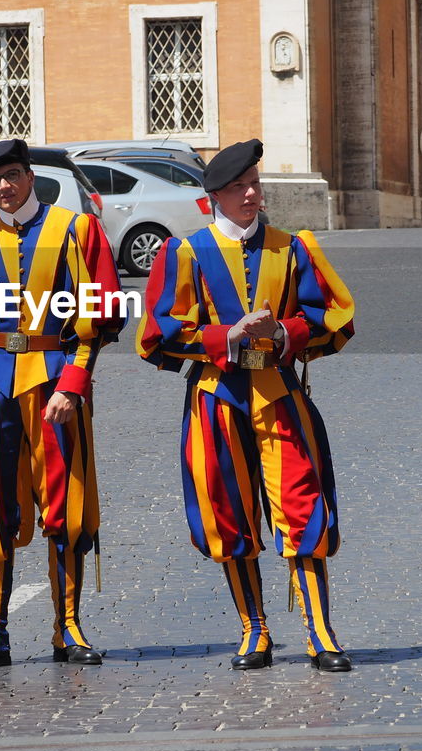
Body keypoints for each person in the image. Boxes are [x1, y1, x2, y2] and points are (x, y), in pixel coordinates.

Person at [136, 138, 356, 672]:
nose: (252, 194)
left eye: (255, 184)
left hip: (279, 395)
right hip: (217, 399)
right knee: (229, 514)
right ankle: (253, 629)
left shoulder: (294, 246)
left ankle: (320, 633)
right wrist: (225, 337)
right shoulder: (186, 253)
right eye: (239, 187)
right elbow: (157, 333)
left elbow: (335, 318)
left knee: (302, 507)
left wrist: (284, 332)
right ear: (215, 195)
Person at [0, 138, 124, 670]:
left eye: (13, 176)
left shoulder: (75, 230)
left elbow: (98, 313)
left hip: (55, 383)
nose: (5, 187)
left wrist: (75, 382)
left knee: (66, 507)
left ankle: (68, 629)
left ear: (30, 176)